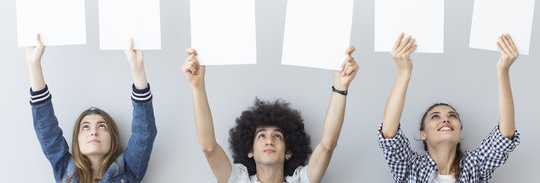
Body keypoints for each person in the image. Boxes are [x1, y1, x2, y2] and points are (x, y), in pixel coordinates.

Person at [182, 47, 359, 183]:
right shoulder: (238, 180)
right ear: (250, 151)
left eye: (277, 135)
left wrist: (340, 85)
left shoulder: (300, 180)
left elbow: (328, 145)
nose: (269, 141)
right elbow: (208, 147)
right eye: (261, 135)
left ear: (288, 153)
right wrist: (197, 85)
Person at [378, 33, 520, 182]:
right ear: (423, 134)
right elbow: (389, 134)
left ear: (460, 134)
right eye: (435, 116)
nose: (446, 119)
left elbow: (505, 134)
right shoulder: (411, 168)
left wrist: (503, 71)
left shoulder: (475, 165)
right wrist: (403, 72)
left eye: (452, 116)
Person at [27, 35, 157, 183]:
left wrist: (137, 68)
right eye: (85, 127)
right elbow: (47, 130)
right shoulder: (65, 171)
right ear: (77, 139)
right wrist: (34, 63)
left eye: (102, 126)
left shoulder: (128, 171)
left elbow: (144, 134)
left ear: (113, 138)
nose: (94, 132)